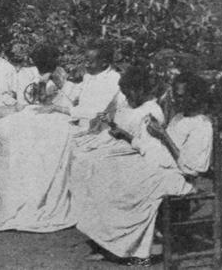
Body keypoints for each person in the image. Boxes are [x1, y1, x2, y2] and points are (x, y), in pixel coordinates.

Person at [71, 71, 212, 265]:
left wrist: (163, 136)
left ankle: (125, 246)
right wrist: (129, 137)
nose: (175, 100)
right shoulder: (179, 118)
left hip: (179, 179)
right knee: (106, 172)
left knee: (122, 185)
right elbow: (159, 151)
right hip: (161, 169)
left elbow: (192, 168)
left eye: (180, 96)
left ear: (195, 97)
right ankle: (113, 242)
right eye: (174, 95)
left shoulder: (202, 125)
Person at [0, 46, 77, 232]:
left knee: (51, 135)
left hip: (57, 115)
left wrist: (53, 82)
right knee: (7, 130)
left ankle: (41, 195)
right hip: (36, 112)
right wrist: (41, 85)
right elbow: (30, 99)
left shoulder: (60, 74)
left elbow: (65, 99)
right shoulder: (30, 73)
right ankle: (17, 200)